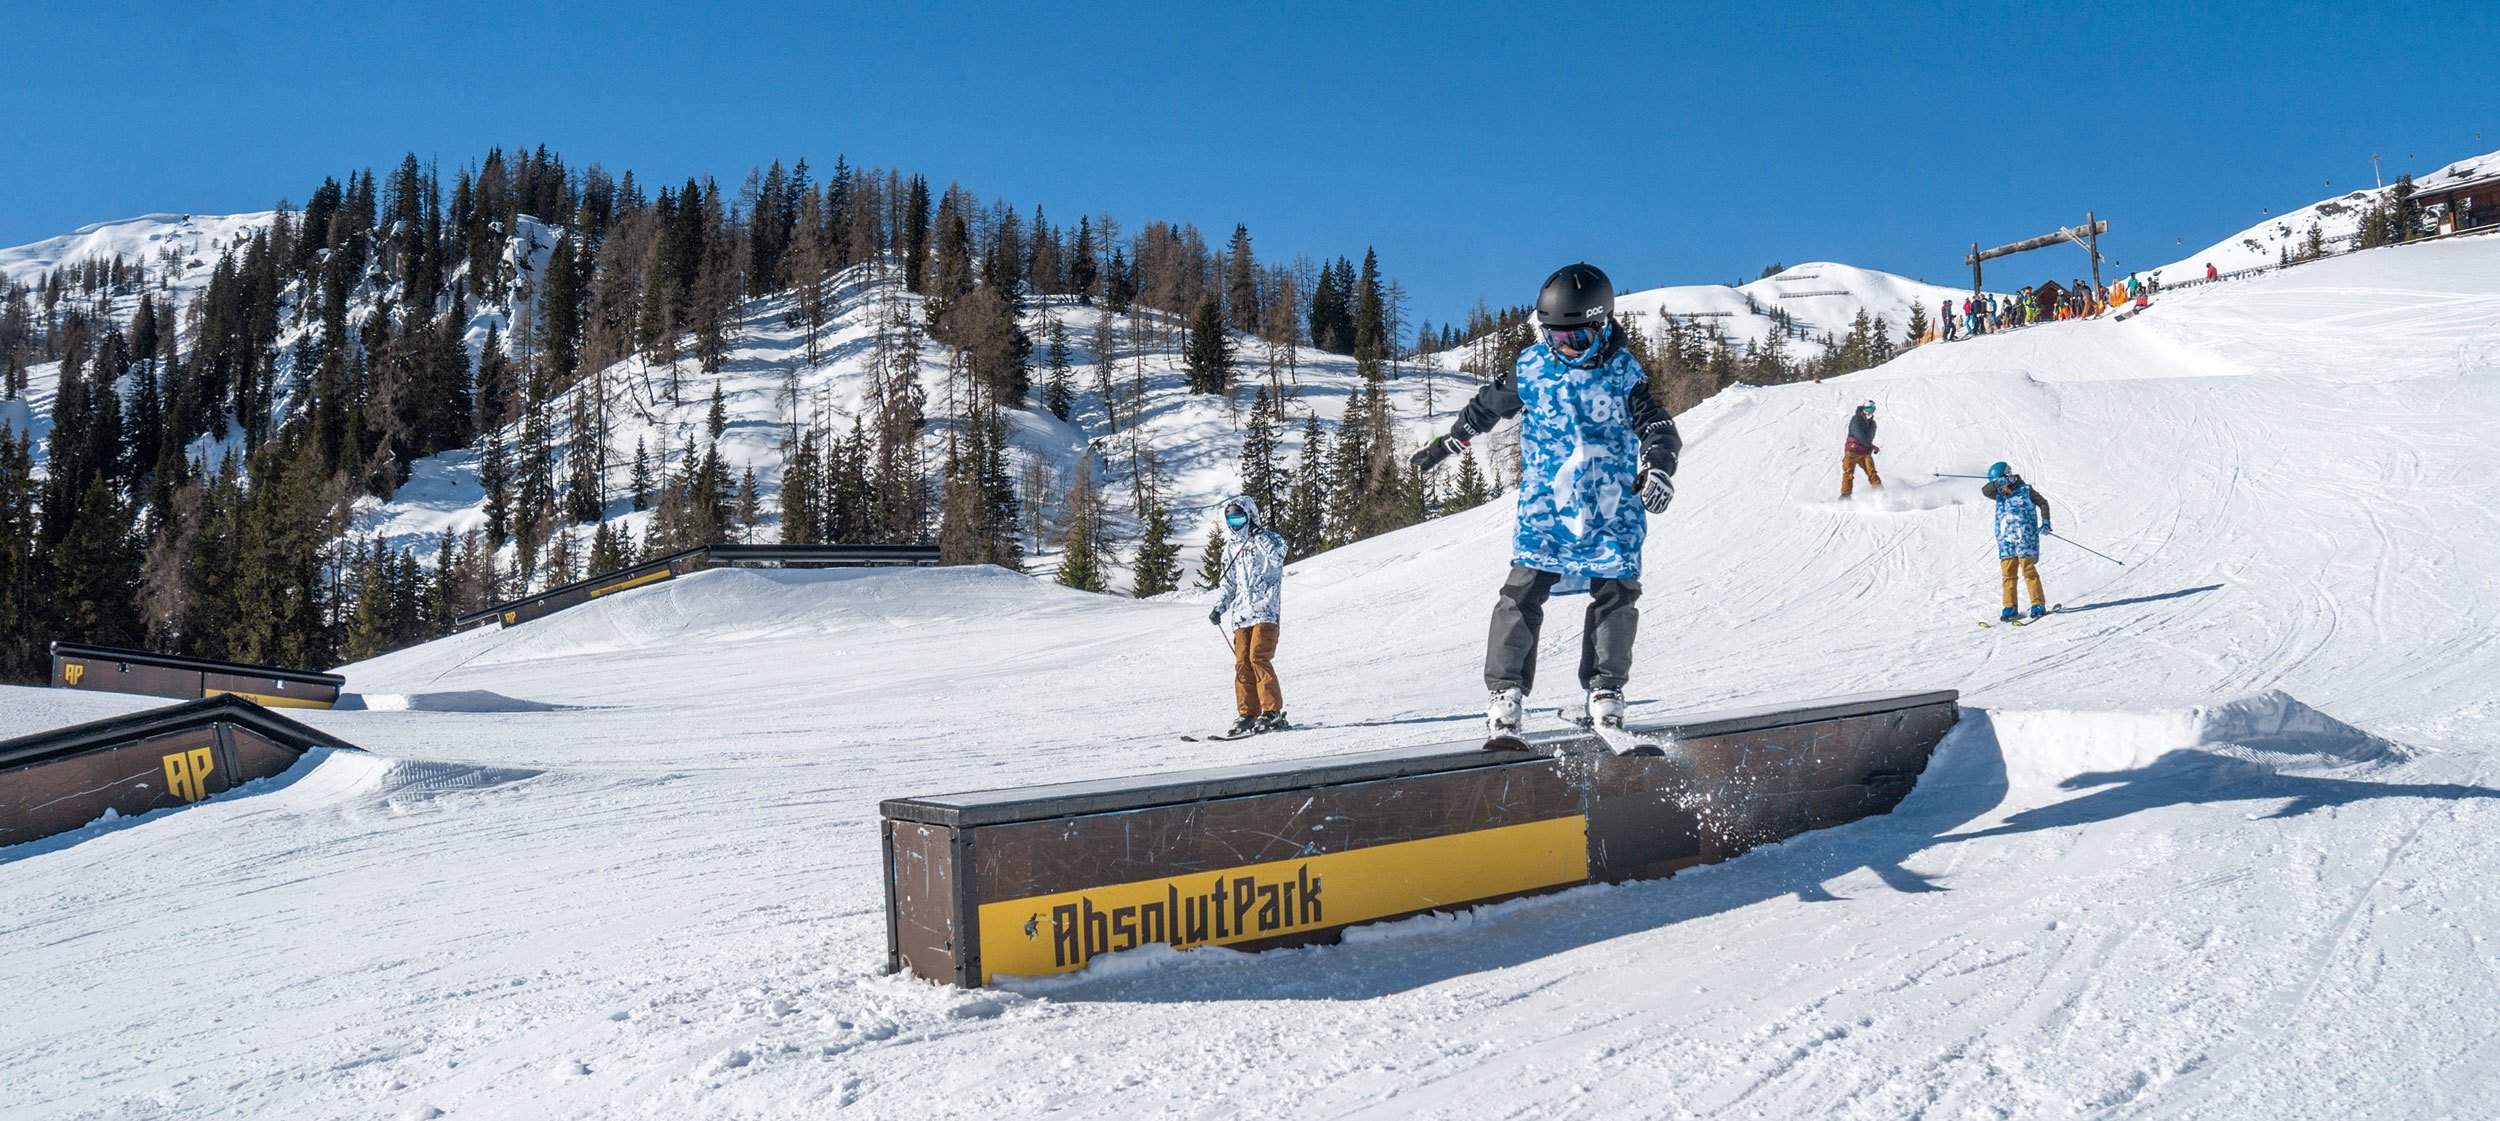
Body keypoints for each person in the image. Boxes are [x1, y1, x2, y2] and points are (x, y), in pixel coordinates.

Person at [1409, 263, 1681, 742]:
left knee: (1617, 590)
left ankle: (1605, 691)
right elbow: (1485, 408)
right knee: (1522, 591)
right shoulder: (1532, 367)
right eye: (1555, 338)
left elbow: (1657, 427)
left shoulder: (1623, 371)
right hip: (1548, 507)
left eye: (1575, 339)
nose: (1564, 348)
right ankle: (1505, 695)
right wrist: (1448, 444)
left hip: (1610, 503)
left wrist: (1659, 466)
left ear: (1602, 325)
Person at [1208, 495, 1289, 735]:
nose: (1236, 524)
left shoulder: (1270, 539)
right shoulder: (1230, 547)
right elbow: (1229, 584)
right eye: (1231, 519)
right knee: (1242, 664)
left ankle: (1272, 711)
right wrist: (1219, 607)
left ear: (1251, 517)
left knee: (1258, 658)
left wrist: (1258, 535)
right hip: (1241, 616)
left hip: (1266, 611)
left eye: (1240, 518)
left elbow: (1277, 558)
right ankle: (1248, 713)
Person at [1981, 462, 2054, 621]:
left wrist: (2046, 522)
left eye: (2002, 482)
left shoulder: (2025, 490)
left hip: (2025, 538)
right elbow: (1985, 491)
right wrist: (1996, 483)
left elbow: (2043, 503)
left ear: (2009, 476)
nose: (2001, 488)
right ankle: (2009, 606)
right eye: (1998, 484)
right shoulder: (1998, 493)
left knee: (2028, 571)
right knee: (2008, 574)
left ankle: (2038, 603)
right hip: (2006, 540)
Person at [1841, 400, 1882, 498]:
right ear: (1863, 408)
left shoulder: (1873, 424)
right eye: (1867, 408)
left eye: (1872, 409)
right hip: (1852, 450)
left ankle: (1880, 493)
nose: (1869, 411)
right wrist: (1871, 446)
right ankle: (1846, 496)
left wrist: (1870, 446)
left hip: (1864, 452)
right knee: (1848, 472)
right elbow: (1858, 435)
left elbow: (1869, 438)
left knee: (1872, 472)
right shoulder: (1856, 419)